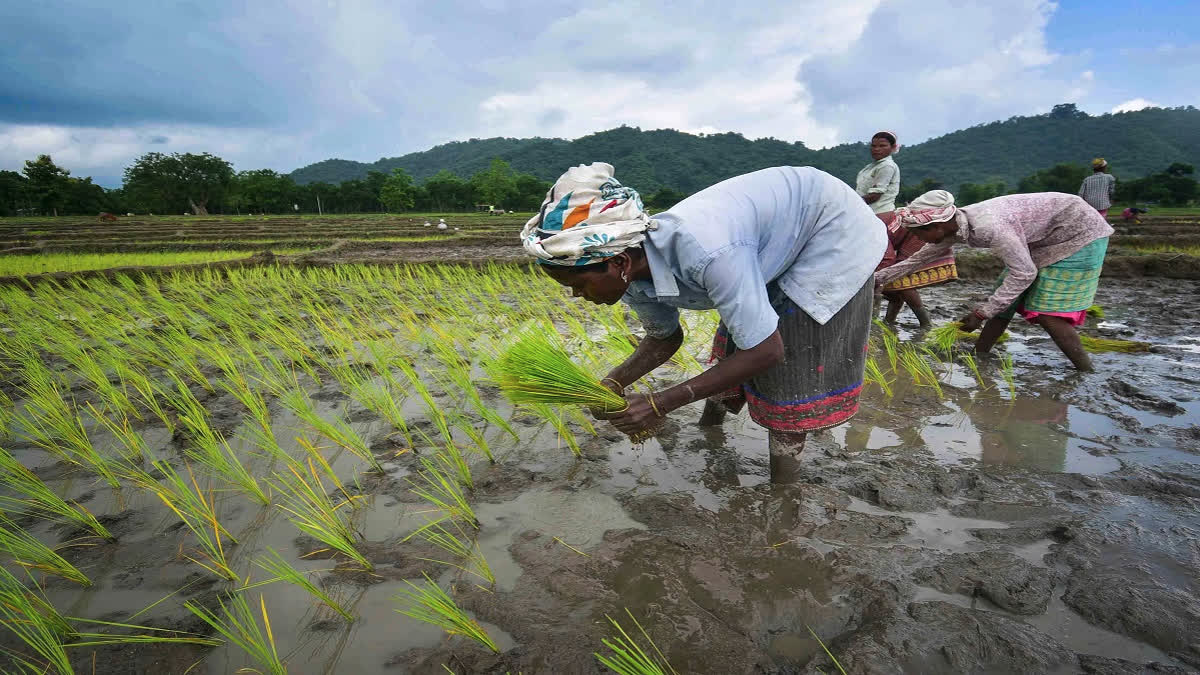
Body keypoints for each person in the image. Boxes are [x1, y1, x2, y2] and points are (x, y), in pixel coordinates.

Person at [521, 162, 886, 483]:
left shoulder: (709, 253)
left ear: (618, 263)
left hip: (830, 227)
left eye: (579, 284)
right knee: (734, 343)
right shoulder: (630, 270)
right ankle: (711, 433)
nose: (577, 295)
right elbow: (664, 338)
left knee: (786, 364)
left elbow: (766, 351)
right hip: (767, 236)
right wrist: (613, 382)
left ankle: (784, 490)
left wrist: (659, 402)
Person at [874, 190, 1114, 371]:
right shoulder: (955, 226)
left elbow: (1024, 273)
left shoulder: (990, 228)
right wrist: (875, 280)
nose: (917, 238)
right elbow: (916, 261)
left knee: (1047, 313)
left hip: (1079, 232)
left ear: (937, 225)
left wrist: (981, 314)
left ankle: (1085, 371)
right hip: (1046, 237)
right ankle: (979, 356)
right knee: (1004, 299)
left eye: (918, 233)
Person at [856, 131, 956, 327]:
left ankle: (924, 323)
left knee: (898, 275)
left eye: (882, 146)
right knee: (893, 280)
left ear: (893, 148)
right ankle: (888, 322)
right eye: (874, 145)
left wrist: (848, 202)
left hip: (885, 217)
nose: (876, 149)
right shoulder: (870, 168)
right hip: (871, 215)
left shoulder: (887, 166)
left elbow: (875, 196)